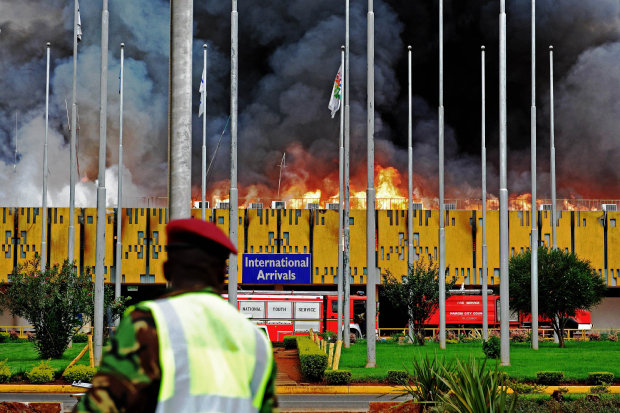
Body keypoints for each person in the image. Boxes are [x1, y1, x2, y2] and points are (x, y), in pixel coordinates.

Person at [74, 218, 278, 412]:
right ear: (222, 273)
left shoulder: (149, 323)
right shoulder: (256, 340)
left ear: (166, 270)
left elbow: (101, 405)